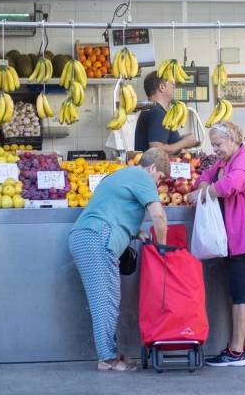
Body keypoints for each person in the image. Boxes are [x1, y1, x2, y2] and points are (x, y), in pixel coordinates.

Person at [68, 148, 169, 371]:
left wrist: (134, 232)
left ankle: (110, 354)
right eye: (160, 177)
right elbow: (159, 216)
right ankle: (108, 359)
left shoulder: (120, 174)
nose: (158, 183)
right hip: (96, 237)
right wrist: (162, 250)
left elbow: (112, 208)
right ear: (152, 168)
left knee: (107, 298)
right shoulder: (143, 176)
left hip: (88, 235)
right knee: (105, 302)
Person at [186, 121, 245, 367]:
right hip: (236, 236)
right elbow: (205, 176)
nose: (215, 149)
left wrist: (204, 193)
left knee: (240, 293)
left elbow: (231, 185)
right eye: (213, 145)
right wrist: (203, 185)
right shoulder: (225, 161)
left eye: (218, 144)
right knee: (243, 290)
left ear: (233, 139)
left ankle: (235, 352)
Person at [134, 71, 198, 154]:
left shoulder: (153, 109)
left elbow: (160, 140)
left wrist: (180, 139)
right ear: (162, 87)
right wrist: (184, 143)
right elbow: (157, 150)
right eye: (172, 85)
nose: (174, 88)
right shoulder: (157, 112)